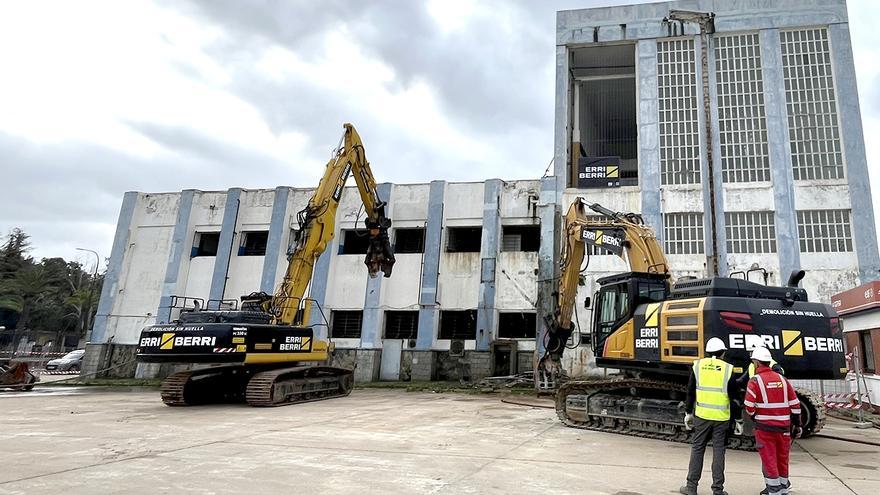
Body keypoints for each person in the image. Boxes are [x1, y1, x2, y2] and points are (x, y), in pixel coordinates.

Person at [679, 337, 737, 495]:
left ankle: (691, 488)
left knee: (697, 449)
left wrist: (688, 412)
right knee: (719, 451)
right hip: (721, 418)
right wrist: (737, 419)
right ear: (723, 353)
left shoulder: (698, 366)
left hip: (702, 416)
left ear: (707, 352)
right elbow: (734, 397)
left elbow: (690, 391)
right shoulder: (727, 369)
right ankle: (717, 490)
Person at [744, 346, 802, 495]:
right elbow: (795, 404)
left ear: (756, 362)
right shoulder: (782, 379)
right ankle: (783, 488)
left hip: (765, 429)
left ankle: (774, 490)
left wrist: (755, 417)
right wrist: (797, 425)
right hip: (784, 428)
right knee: (782, 459)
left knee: (769, 460)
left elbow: (749, 406)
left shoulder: (755, 381)